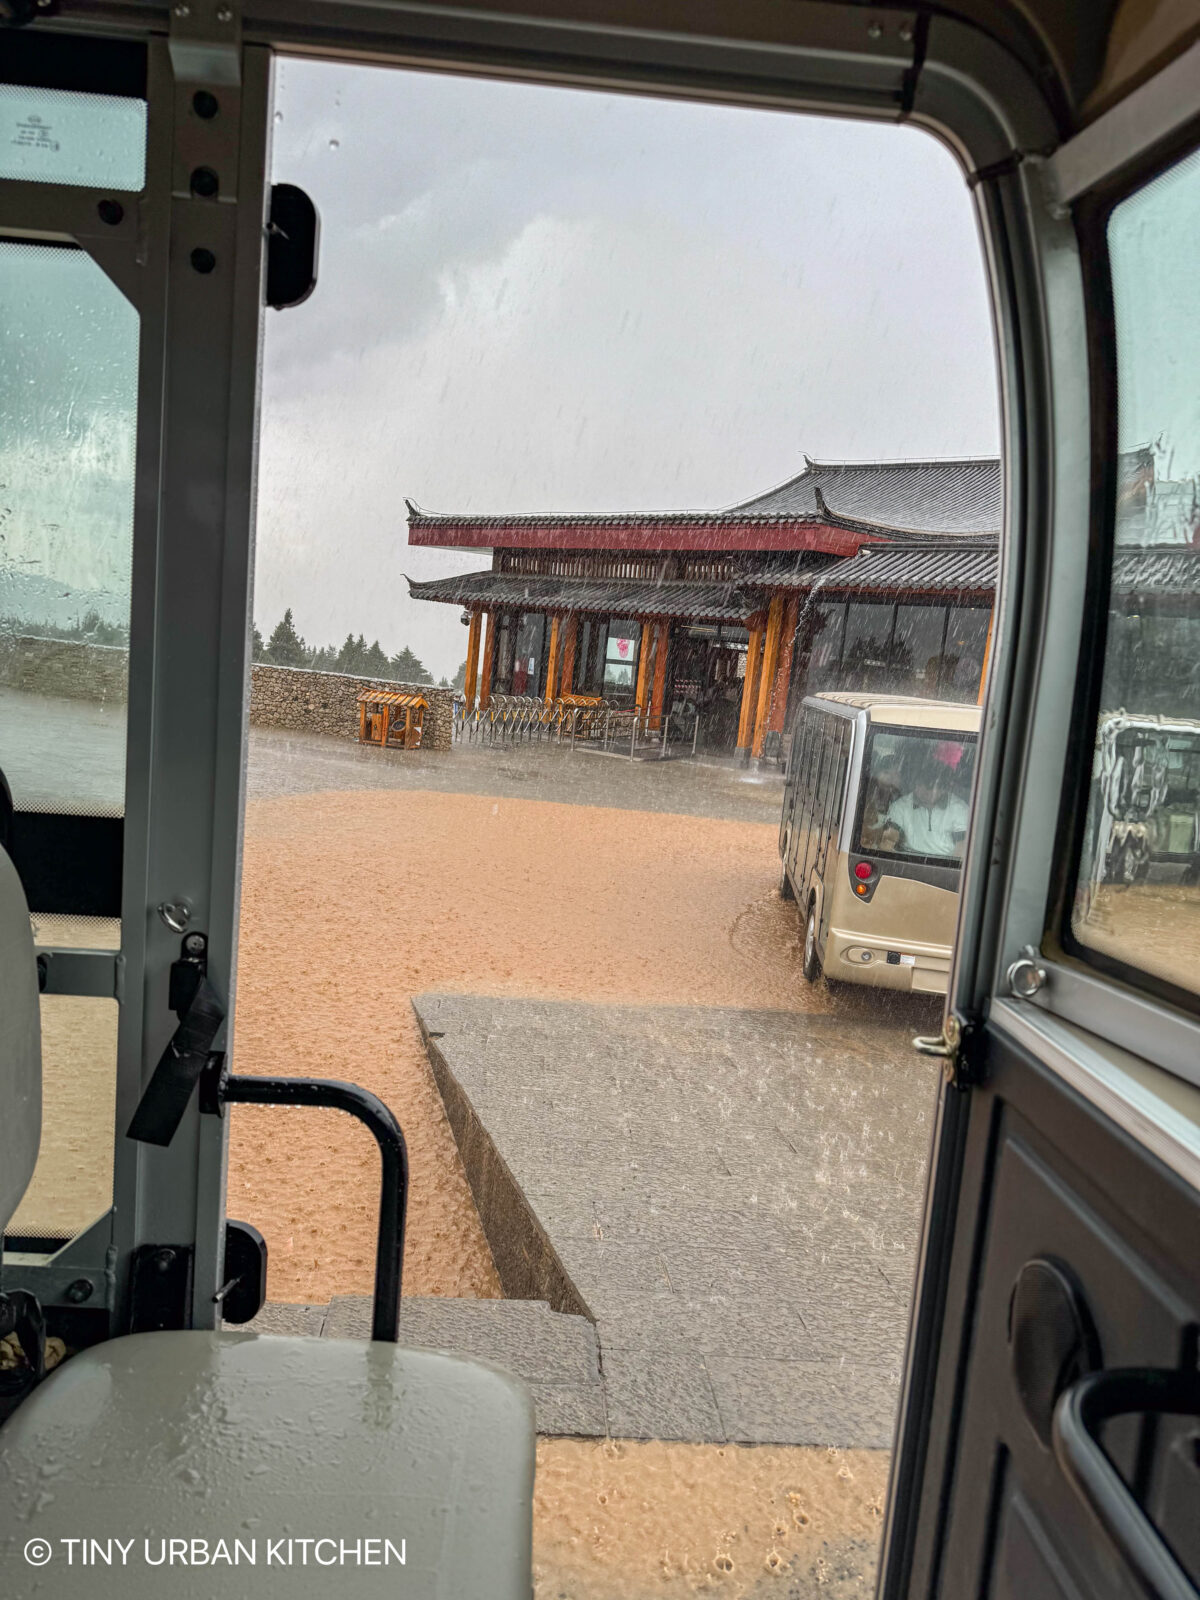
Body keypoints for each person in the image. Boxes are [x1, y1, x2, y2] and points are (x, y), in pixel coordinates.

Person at [880, 742, 970, 858]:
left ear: (943, 788)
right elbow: (887, 842)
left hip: (947, 864)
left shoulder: (960, 809)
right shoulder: (900, 806)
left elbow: (962, 851)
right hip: (907, 861)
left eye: (930, 787)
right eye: (919, 784)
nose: (923, 791)